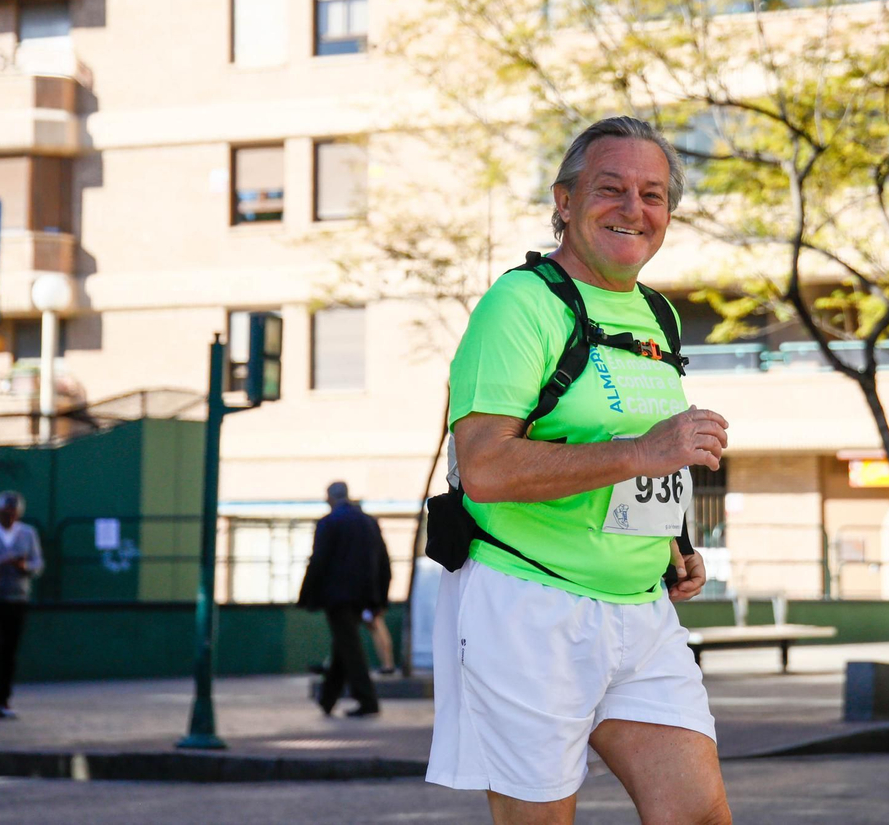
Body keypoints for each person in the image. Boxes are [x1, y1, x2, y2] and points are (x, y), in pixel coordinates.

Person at [427, 116, 732, 824]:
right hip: (529, 606)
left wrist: (672, 542)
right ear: (564, 201)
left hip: (640, 609)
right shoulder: (520, 304)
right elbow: (485, 469)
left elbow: (631, 445)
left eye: (653, 194)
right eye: (611, 188)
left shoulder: (657, 314)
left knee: (696, 813)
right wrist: (644, 453)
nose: (634, 209)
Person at [298, 481, 386, 717]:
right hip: (363, 595)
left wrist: (306, 595)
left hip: (337, 596)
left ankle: (368, 700)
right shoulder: (368, 522)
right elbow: (383, 561)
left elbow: (318, 560)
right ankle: (327, 699)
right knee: (344, 645)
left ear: (330, 498)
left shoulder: (329, 523)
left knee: (350, 647)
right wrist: (380, 599)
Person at [0, 491, 44, 719]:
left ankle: (3, 700)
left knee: (9, 651)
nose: (10, 518)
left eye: (13, 514)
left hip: (17, 597)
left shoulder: (27, 533)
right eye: (6, 514)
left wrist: (25, 567)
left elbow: (38, 563)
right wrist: (0, 562)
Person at [356, 501, 396, 674]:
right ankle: (387, 664)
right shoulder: (375, 539)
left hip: (371, 592)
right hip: (375, 591)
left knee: (376, 625)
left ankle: (388, 664)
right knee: (375, 626)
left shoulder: (367, 543)